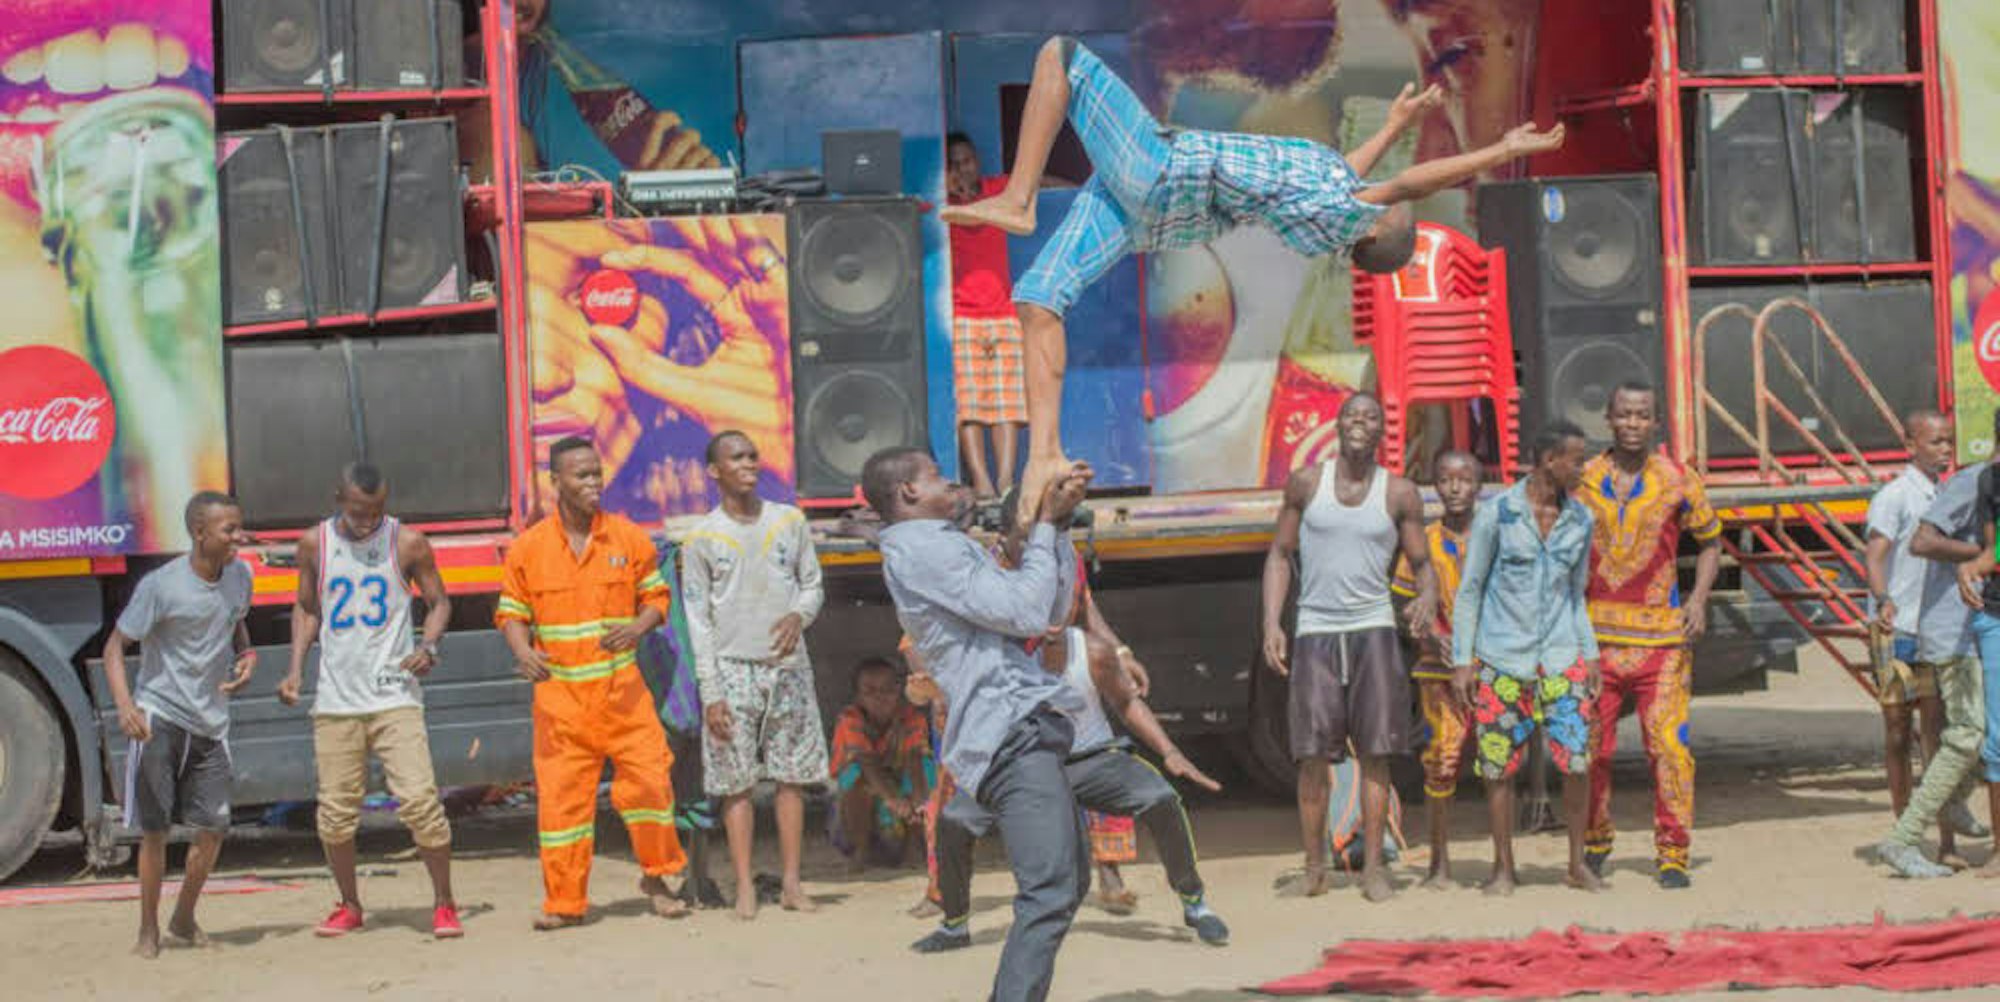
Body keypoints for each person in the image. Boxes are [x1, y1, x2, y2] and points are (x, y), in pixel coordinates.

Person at [942, 35, 1562, 523]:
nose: (1393, 199)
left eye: (1394, 210)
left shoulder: (1347, 213)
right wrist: (1395, 125)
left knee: (1062, 56)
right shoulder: (1332, 200)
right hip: (1154, 213)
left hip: (1164, 172)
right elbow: (1353, 171)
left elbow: (1406, 182)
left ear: (1375, 228)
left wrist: (1500, 151)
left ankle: (1019, 196)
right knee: (1039, 300)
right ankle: (1044, 453)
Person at [864, 445, 1092, 1002]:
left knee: (1066, 881)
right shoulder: (925, 550)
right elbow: (1026, 613)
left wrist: (1055, 527)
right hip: (1009, 729)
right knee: (1050, 889)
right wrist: (1043, 526)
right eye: (936, 475)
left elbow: (1047, 613)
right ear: (909, 492)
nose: (951, 484)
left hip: (1022, 723)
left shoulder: (940, 544)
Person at [918, 624, 1229, 953]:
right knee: (954, 820)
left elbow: (1126, 702)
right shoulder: (997, 655)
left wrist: (1170, 751)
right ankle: (954, 925)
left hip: (1090, 759)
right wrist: (938, 696)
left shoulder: (1093, 653)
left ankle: (1194, 903)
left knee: (1161, 798)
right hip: (1022, 765)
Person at [497, 436, 688, 930]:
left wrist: (639, 627)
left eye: (596, 473)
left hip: (624, 699)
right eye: (581, 475)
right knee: (562, 809)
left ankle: (658, 881)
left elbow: (657, 598)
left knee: (650, 788)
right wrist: (522, 651)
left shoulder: (628, 538)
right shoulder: (529, 548)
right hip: (561, 705)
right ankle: (564, 904)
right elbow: (512, 611)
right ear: (555, 482)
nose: (593, 483)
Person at [1260, 392, 1438, 901]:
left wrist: (1427, 598)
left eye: (1371, 417)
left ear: (1382, 431)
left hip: (1374, 629)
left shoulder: (1399, 492)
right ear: (1337, 426)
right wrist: (1272, 623)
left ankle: (1374, 870)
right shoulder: (1306, 483)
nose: (1361, 423)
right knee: (1312, 755)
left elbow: (1423, 564)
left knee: (1377, 754)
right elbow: (1279, 554)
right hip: (1315, 629)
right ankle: (1314, 869)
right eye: (1352, 416)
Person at [277, 463, 462, 939]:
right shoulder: (314, 544)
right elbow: (307, 608)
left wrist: (428, 646)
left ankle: (444, 902)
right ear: (339, 498)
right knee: (335, 815)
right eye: (359, 512)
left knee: (420, 802)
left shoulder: (407, 542)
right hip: (336, 700)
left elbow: (439, 601)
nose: (368, 521)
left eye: (377, 511)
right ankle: (350, 905)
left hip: (394, 695)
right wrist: (296, 668)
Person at [1574, 383, 1721, 889]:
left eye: (1642, 415)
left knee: (1669, 750)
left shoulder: (1679, 478)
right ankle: (1595, 842)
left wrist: (1697, 600)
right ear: (1608, 419)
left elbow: (1710, 543)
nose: (1633, 423)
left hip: (1663, 639)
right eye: (1624, 415)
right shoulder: (1583, 479)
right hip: (1594, 640)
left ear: (1656, 422)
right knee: (1593, 750)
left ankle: (1673, 853)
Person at [680, 430, 828, 919]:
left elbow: (812, 585)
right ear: (714, 471)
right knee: (735, 781)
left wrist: (799, 616)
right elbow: (699, 620)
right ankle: (743, 884)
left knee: (791, 777)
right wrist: (711, 692)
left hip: (788, 667)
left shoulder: (789, 521)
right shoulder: (702, 538)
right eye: (736, 458)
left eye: (752, 456)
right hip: (731, 668)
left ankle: (791, 883)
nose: (748, 464)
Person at [101, 491, 256, 958]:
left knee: (213, 829)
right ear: (199, 533)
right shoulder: (161, 586)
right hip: (160, 717)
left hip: (211, 723)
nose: (238, 537)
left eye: (239, 527)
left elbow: (235, 621)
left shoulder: (241, 577)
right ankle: (148, 929)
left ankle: (184, 918)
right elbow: (114, 648)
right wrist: (126, 707)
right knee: (155, 832)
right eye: (229, 530)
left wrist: (246, 654)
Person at [1450, 421, 1602, 896]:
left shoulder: (1582, 521)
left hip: (1561, 655)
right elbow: (1471, 589)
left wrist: (1590, 654)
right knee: (1499, 767)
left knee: (1576, 762)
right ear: (1549, 461)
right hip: (1502, 658)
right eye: (1577, 461)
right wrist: (1463, 660)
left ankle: (1576, 864)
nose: (1583, 469)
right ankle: (1503, 868)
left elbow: (1575, 594)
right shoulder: (1498, 514)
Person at [1878, 411, 1998, 877]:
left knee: (1984, 736)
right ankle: (1904, 838)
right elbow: (1922, 542)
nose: (1946, 448)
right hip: (1953, 631)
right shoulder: (1973, 482)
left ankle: (1956, 801)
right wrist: (1984, 556)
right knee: (1967, 734)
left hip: (1972, 626)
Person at [1390, 449, 1481, 889]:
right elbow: (1404, 605)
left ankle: (1502, 864)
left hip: (1493, 666)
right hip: (1437, 669)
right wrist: (1429, 636)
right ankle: (1438, 863)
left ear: (1478, 485)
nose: (1455, 488)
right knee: (1441, 760)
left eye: (1464, 480)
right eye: (1445, 480)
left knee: (1500, 762)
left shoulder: (1495, 537)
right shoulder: (1422, 541)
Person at [947, 131, 1027, 500]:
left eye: (966, 161)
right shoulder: (942, 205)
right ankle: (981, 482)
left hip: (1003, 314)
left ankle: (1006, 483)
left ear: (977, 162)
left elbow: (1034, 180)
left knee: (1007, 405)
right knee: (970, 406)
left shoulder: (997, 190)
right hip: (961, 317)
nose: (962, 169)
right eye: (954, 164)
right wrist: (949, 192)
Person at [827, 656, 935, 871]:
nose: (880, 697)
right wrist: (892, 799)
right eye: (870, 691)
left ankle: (915, 846)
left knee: (926, 768)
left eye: (887, 689)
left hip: (901, 818)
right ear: (858, 697)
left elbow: (914, 760)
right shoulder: (849, 719)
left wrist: (918, 802)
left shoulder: (912, 718)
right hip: (855, 821)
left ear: (899, 691)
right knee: (855, 774)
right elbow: (866, 762)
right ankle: (860, 851)